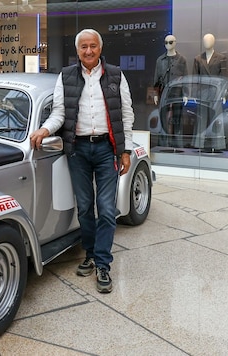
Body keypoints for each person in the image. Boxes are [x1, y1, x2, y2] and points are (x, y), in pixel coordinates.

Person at [29, 29, 134, 294]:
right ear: (77, 51)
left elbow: (126, 114)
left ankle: (103, 263)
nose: (89, 51)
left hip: (105, 149)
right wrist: (44, 129)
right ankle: (89, 253)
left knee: (107, 209)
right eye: (84, 47)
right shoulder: (66, 76)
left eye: (93, 46)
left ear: (100, 47)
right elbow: (60, 113)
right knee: (85, 208)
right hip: (77, 150)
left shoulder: (115, 75)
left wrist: (125, 150)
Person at [192, 33, 228, 150]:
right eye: (205, 40)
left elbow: (224, 76)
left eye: (209, 40)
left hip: (216, 92)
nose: (206, 42)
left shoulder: (221, 58)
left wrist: (224, 93)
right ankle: (199, 143)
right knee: (201, 118)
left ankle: (217, 144)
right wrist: (194, 93)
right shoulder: (198, 58)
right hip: (202, 92)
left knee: (216, 119)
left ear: (213, 42)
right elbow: (195, 77)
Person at [153, 35, 187, 148]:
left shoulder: (182, 60)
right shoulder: (160, 60)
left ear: (175, 43)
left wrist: (186, 94)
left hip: (177, 91)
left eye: (171, 42)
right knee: (163, 117)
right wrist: (155, 94)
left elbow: (186, 78)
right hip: (163, 92)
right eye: (166, 42)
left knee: (177, 117)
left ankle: (177, 143)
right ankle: (164, 142)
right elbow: (156, 79)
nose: (168, 45)